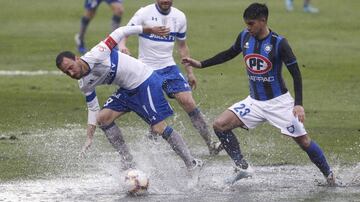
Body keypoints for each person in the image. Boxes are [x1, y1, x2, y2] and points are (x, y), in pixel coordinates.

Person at [182, 3, 335, 186]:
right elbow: (230, 53)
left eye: (251, 24)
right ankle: (242, 167)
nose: (248, 27)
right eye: (247, 23)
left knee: (303, 141)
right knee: (220, 125)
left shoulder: (279, 43)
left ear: (263, 21)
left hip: (279, 103)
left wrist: (298, 104)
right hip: (254, 102)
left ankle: (330, 176)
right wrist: (201, 64)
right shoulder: (245, 36)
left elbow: (296, 74)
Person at [56, 25, 203, 171]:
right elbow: (93, 108)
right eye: (66, 72)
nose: (71, 73)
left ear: (76, 58)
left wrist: (149, 30)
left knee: (158, 128)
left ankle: (191, 164)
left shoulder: (98, 53)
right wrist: (89, 137)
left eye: (70, 67)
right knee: (102, 118)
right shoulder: (84, 83)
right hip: (127, 89)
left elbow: (121, 31)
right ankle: (128, 160)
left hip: (145, 80)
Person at [119, 0, 223, 156]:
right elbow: (125, 32)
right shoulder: (144, 12)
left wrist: (190, 72)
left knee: (188, 102)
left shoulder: (179, 16)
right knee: (156, 114)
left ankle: (210, 144)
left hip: (169, 67)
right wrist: (122, 45)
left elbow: (182, 46)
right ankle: (151, 148)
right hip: (147, 70)